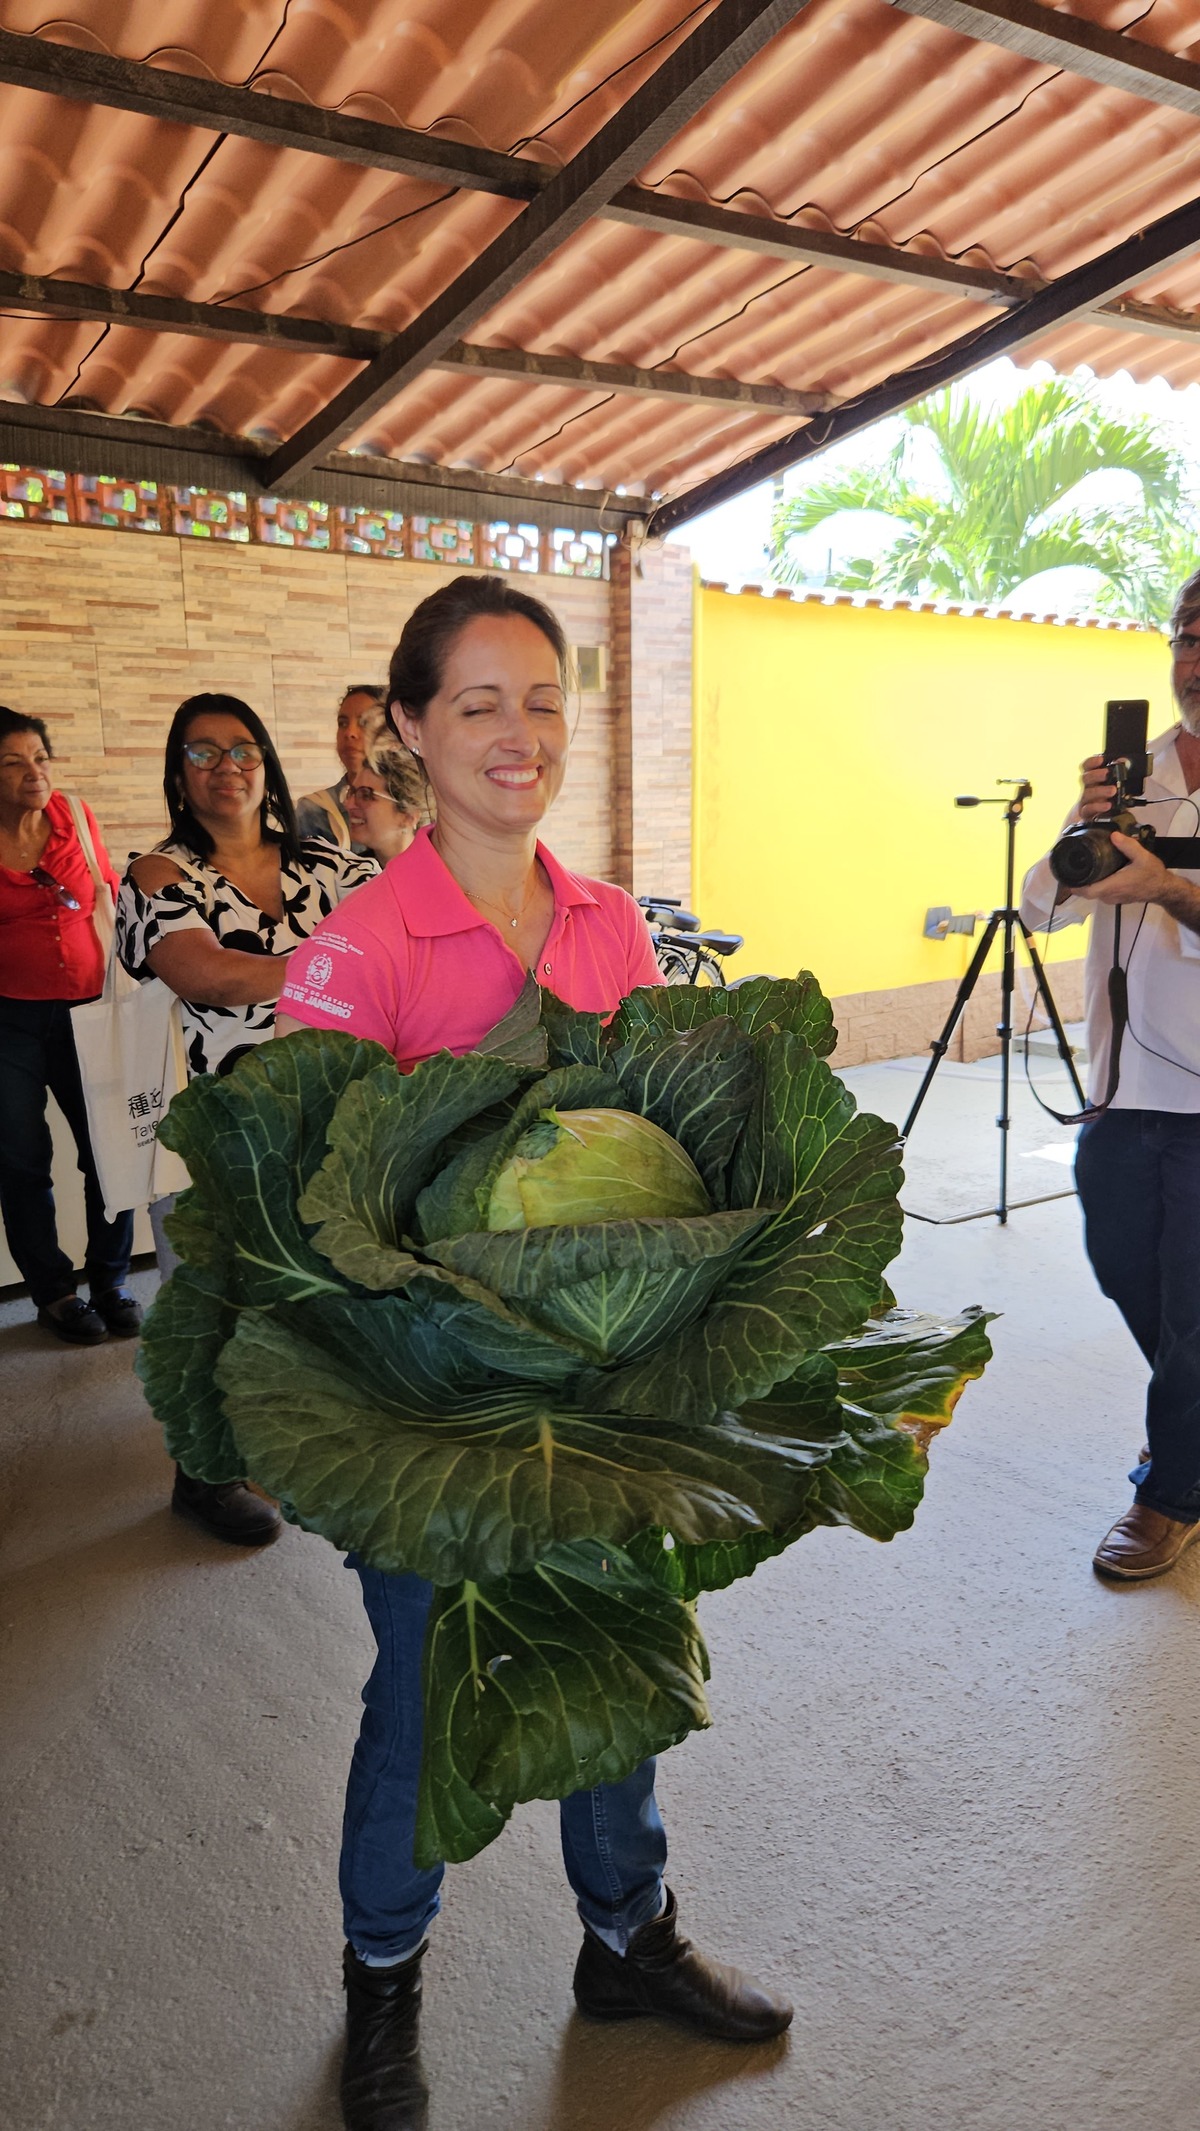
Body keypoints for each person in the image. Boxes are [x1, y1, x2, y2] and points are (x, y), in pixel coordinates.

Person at [275, 576, 792, 2131]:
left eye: (546, 699)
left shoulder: (612, 924)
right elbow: (303, 1212)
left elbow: (659, 1159)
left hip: (600, 1387)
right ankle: (382, 1980)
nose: (521, 733)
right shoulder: (360, 948)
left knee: (616, 1655)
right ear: (409, 727)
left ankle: (626, 1937)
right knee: (429, 1693)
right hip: (425, 1409)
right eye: (480, 702)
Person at [117, 692, 376, 1543]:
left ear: (266, 763)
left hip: (335, 1116)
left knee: (312, 1288)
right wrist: (338, 969)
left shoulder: (327, 861)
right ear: (178, 772)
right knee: (217, 1298)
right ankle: (203, 1475)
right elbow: (208, 973)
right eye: (202, 752)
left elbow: (404, 928)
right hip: (223, 1130)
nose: (225, 766)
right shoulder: (158, 874)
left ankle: (295, 1441)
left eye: (242, 749)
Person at [1021, 568, 1200, 1582]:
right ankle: (1191, 1427)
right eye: (1188, 636)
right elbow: (1040, 907)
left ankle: (1170, 1492)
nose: (1196, 659)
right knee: (1127, 1270)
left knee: (1195, 1314)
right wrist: (1079, 831)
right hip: (1122, 1093)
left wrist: (1168, 887)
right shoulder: (1135, 774)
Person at [0, 706, 141, 1344]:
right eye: (13, 763)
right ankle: (54, 1294)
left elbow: (109, 894)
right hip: (10, 1022)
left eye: (40, 758)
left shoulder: (76, 819)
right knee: (22, 1160)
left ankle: (111, 1281)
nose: (34, 772)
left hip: (91, 1011)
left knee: (108, 1152)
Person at [296, 685, 387, 849]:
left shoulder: (415, 805)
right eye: (342, 723)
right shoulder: (314, 809)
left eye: (364, 723)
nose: (349, 732)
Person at [342, 738, 430, 864]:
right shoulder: (351, 871)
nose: (348, 804)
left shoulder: (438, 871)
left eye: (365, 795)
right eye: (352, 792)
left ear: (408, 816)